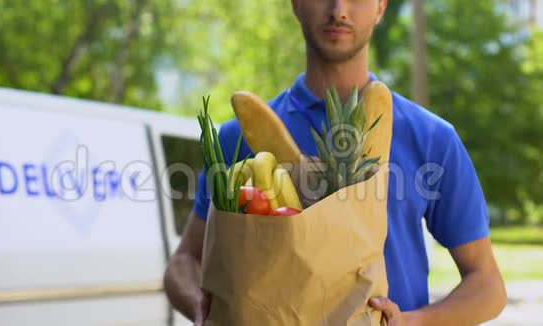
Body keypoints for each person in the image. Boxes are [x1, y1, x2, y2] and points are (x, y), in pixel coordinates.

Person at [164, 0, 507, 325]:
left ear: (381, 6)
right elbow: (184, 261)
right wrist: (203, 308)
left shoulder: (431, 138)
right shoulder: (239, 136)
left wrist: (412, 322)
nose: (338, 9)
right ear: (295, 3)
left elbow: (488, 285)